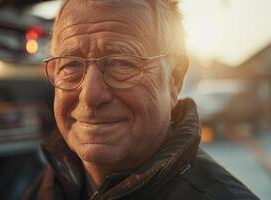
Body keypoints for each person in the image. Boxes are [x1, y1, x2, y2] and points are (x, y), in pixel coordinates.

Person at [24, 0, 259, 199]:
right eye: (71, 64)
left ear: (174, 79)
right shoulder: (58, 177)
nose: (90, 95)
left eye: (121, 62)